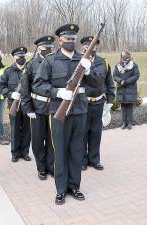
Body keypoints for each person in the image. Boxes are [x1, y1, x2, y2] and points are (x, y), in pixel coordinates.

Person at [33, 24, 101, 205]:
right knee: (60, 151)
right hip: (58, 112)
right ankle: (61, 190)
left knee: (77, 150)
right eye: (68, 38)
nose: (71, 41)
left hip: (80, 111)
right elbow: (38, 84)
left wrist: (89, 72)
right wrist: (57, 92)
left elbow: (98, 85)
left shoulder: (83, 60)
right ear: (60, 39)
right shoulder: (50, 61)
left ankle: (74, 187)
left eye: (73, 39)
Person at [21, 36, 55, 180]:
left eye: (50, 47)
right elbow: (25, 88)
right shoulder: (31, 65)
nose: (49, 49)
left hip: (53, 107)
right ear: (39, 48)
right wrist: (28, 108)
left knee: (52, 139)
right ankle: (41, 167)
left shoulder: (55, 62)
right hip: (37, 108)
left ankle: (51, 166)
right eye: (46, 47)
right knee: (37, 140)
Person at [80, 36, 115, 171]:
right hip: (83, 102)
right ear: (84, 47)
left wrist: (110, 100)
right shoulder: (78, 61)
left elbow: (109, 82)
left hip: (99, 102)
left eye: (94, 45)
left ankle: (94, 159)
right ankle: (82, 160)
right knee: (82, 132)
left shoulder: (103, 62)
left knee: (96, 132)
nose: (92, 48)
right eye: (89, 45)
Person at [0, 47, 31, 162]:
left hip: (27, 105)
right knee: (15, 129)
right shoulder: (8, 71)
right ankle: (15, 153)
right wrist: (11, 94)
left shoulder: (29, 69)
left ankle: (25, 152)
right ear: (14, 57)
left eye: (23, 55)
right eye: (18, 55)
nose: (21, 57)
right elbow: (1, 86)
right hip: (13, 104)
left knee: (27, 129)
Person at [113, 50, 140, 130]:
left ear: (129, 55)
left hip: (130, 89)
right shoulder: (118, 65)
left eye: (125, 55)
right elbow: (114, 75)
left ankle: (130, 123)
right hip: (121, 89)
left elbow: (136, 76)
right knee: (123, 106)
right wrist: (120, 81)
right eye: (122, 55)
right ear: (121, 56)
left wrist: (126, 81)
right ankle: (124, 123)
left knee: (129, 106)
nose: (124, 56)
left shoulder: (134, 65)